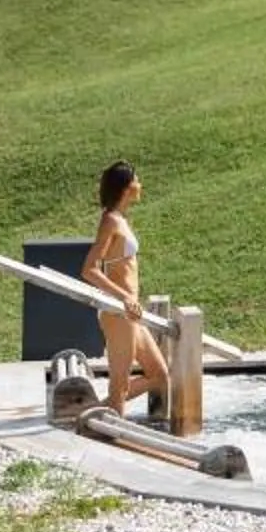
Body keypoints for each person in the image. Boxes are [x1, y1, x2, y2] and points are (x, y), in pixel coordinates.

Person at [82, 161, 170, 420]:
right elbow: (89, 269)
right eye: (137, 180)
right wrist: (124, 297)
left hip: (130, 311)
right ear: (127, 187)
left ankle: (90, 412)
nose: (140, 184)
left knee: (159, 375)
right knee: (119, 384)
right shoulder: (110, 221)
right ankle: (115, 442)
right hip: (118, 311)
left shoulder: (120, 219)